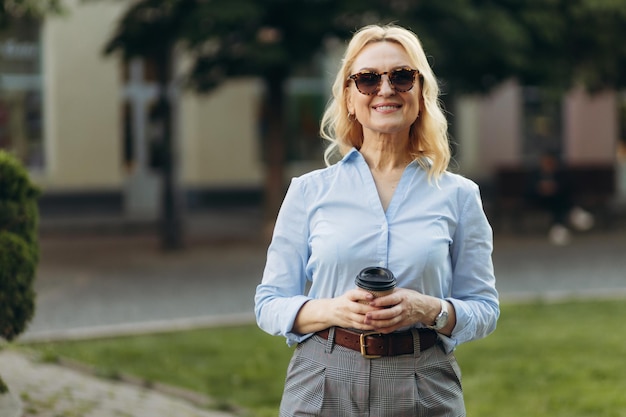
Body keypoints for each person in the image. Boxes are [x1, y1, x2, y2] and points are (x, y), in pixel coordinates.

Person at [255, 24, 499, 417]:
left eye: (402, 77)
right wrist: (334, 310)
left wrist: (429, 309)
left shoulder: (459, 195)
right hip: (322, 378)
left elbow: (484, 308)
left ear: (420, 93)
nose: (386, 89)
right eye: (368, 79)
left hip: (423, 379)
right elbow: (269, 303)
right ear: (350, 98)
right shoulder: (308, 191)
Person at [526, 151, 594, 245]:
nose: (548, 163)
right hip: (540, 200)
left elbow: (569, 186)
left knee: (558, 201)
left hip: (557, 198)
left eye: (550, 161)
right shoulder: (536, 174)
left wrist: (555, 187)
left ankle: (559, 226)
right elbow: (529, 190)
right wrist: (541, 189)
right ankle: (571, 215)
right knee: (557, 202)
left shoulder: (560, 173)